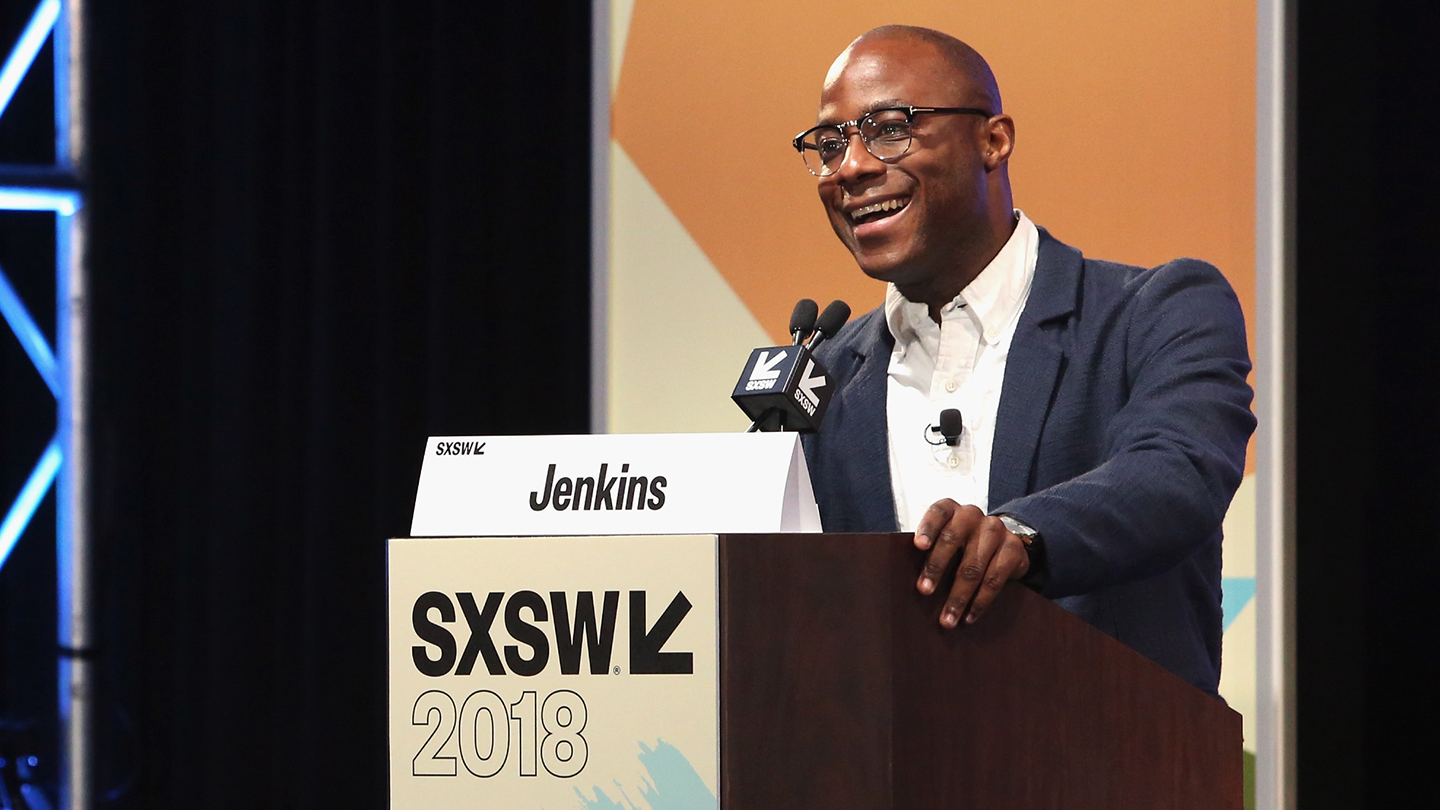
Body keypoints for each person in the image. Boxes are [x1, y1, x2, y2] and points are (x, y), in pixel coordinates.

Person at [795, 25, 1255, 695]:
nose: (852, 167)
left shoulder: (1156, 311)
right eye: (831, 145)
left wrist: (1019, 535)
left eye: (890, 129)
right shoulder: (824, 375)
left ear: (994, 140)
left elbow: (1176, 473)